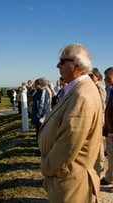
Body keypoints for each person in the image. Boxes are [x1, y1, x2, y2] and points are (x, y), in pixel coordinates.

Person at [38, 44, 103, 202]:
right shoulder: (77, 90)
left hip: (71, 183)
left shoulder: (82, 95)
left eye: (62, 62)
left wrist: (46, 167)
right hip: (67, 177)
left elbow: (68, 145)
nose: (57, 66)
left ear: (78, 65)